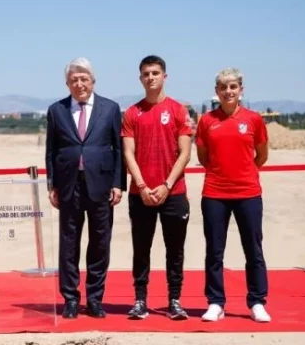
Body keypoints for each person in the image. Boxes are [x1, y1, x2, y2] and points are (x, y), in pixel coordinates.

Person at [45, 57, 124, 319]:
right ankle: (69, 298)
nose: (79, 83)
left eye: (84, 79)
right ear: (67, 84)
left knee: (100, 243)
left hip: (100, 185)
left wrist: (117, 183)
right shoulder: (56, 110)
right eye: (74, 80)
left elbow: (118, 149)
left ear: (93, 81)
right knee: (69, 244)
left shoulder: (110, 108)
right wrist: (52, 184)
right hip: (68, 185)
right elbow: (51, 150)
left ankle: (94, 298)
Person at [195, 67, 271, 323]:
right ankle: (216, 302)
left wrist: (243, 172)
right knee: (214, 251)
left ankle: (257, 302)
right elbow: (203, 157)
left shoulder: (254, 119)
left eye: (233, 87)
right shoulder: (207, 121)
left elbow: (261, 155)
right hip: (215, 193)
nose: (228, 91)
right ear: (216, 91)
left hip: (248, 193)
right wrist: (222, 173)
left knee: (253, 250)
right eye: (223, 87)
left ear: (241, 90)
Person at [121, 55, 193, 321]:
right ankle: (140, 300)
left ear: (165, 76)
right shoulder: (132, 113)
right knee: (141, 249)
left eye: (155, 73)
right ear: (140, 78)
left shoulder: (178, 110)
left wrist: (166, 185)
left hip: (173, 193)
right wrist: (142, 185)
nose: (150, 78)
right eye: (146, 74)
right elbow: (128, 153)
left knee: (175, 250)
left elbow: (185, 153)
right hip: (140, 194)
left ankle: (174, 300)